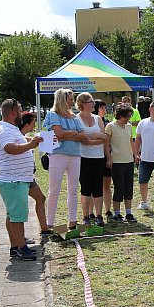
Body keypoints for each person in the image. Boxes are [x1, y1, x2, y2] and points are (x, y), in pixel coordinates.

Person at [0, 99, 43, 261]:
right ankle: (22, 248)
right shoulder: (4, 131)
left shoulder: (11, 129)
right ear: (13, 113)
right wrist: (30, 145)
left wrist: (33, 141)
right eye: (20, 110)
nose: (22, 113)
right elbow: (9, 148)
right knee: (17, 217)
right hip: (14, 180)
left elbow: (20, 142)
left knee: (13, 215)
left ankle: (15, 246)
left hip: (17, 180)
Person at [44, 89, 87, 232]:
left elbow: (82, 135)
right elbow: (58, 133)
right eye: (70, 99)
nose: (72, 102)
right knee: (54, 190)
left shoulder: (73, 116)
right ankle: (49, 222)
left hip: (75, 155)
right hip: (58, 155)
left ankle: (72, 221)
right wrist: (73, 134)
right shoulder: (52, 114)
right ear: (62, 100)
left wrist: (66, 135)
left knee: (73, 190)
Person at [76, 93, 108, 226]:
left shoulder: (98, 118)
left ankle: (99, 216)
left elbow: (104, 138)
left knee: (98, 187)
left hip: (98, 157)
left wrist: (91, 140)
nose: (94, 104)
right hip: (83, 157)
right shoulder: (76, 119)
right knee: (86, 187)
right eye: (91, 102)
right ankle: (86, 216)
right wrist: (95, 138)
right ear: (83, 104)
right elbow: (81, 139)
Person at [18, 111, 50, 236]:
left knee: (41, 198)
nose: (35, 125)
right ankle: (20, 238)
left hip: (28, 176)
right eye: (33, 122)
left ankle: (44, 229)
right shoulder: (17, 137)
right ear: (27, 124)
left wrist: (46, 140)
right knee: (19, 209)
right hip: (20, 177)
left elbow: (32, 141)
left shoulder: (22, 136)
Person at [105, 106, 137, 222]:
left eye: (129, 116)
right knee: (119, 188)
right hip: (117, 162)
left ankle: (128, 213)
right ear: (120, 115)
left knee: (129, 188)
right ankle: (117, 213)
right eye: (126, 116)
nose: (128, 118)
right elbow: (106, 144)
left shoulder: (129, 126)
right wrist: (109, 158)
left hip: (129, 161)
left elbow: (131, 142)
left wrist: (135, 155)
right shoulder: (111, 126)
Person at [94, 100, 114, 220]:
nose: (105, 110)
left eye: (105, 108)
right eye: (102, 108)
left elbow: (108, 139)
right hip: (93, 156)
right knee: (94, 186)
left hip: (106, 156)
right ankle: (92, 212)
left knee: (107, 184)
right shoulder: (91, 122)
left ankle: (108, 210)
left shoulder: (108, 123)